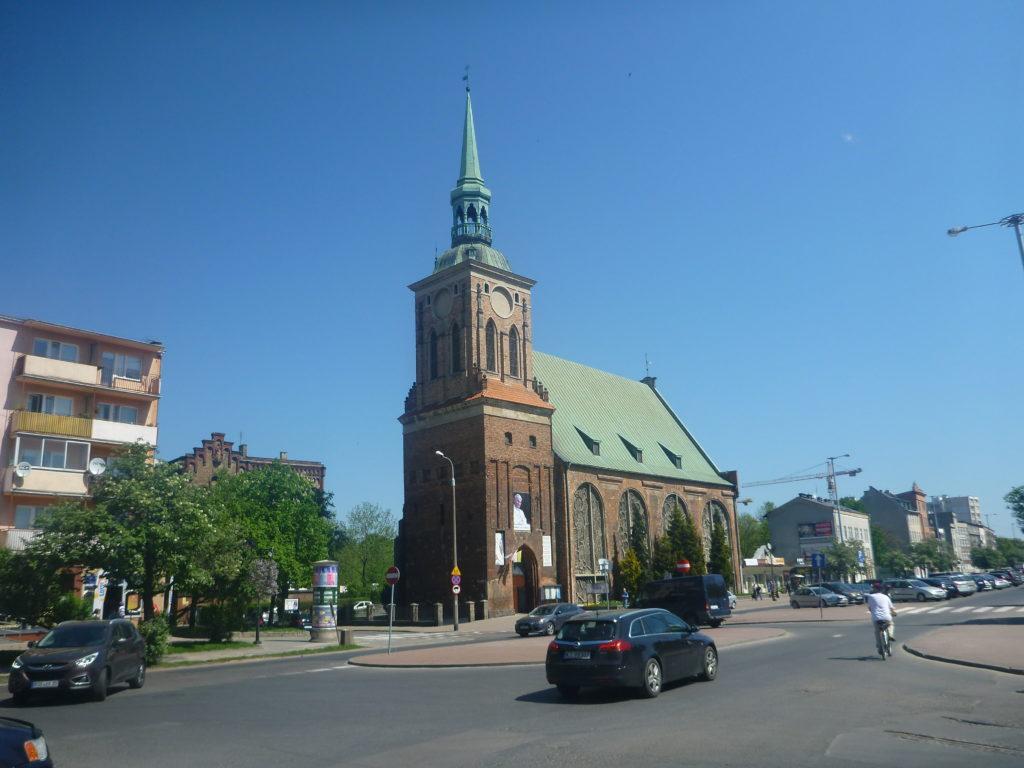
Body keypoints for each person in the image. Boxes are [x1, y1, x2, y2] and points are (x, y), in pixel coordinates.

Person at [866, 581, 896, 656]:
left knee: (877, 632)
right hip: (886, 617)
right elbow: (891, 608)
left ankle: (880, 647)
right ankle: (890, 635)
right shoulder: (886, 597)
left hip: (876, 618)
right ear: (881, 590)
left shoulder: (871, 597)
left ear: (874, 589)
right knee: (891, 624)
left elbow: (870, 608)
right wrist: (894, 613)